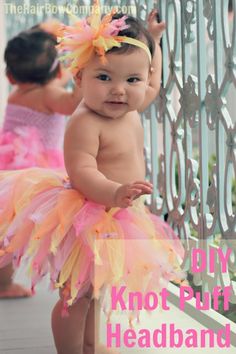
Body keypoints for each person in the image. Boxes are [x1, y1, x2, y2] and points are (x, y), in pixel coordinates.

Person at [0, 4, 185, 354]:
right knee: (76, 295)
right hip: (88, 213)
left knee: (96, 290)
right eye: (104, 78)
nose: (119, 90)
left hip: (117, 212)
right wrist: (114, 192)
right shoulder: (85, 121)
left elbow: (155, 82)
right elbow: (82, 171)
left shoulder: (131, 104)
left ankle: (90, 344)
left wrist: (156, 43)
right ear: (78, 77)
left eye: (132, 80)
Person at [0, 25, 82, 298]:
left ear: (10, 75)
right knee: (54, 228)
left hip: (9, 169)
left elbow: (53, 86)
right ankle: (65, 278)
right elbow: (72, 103)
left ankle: (3, 283)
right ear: (58, 73)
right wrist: (82, 70)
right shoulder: (49, 95)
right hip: (38, 174)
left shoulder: (17, 93)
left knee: (7, 233)